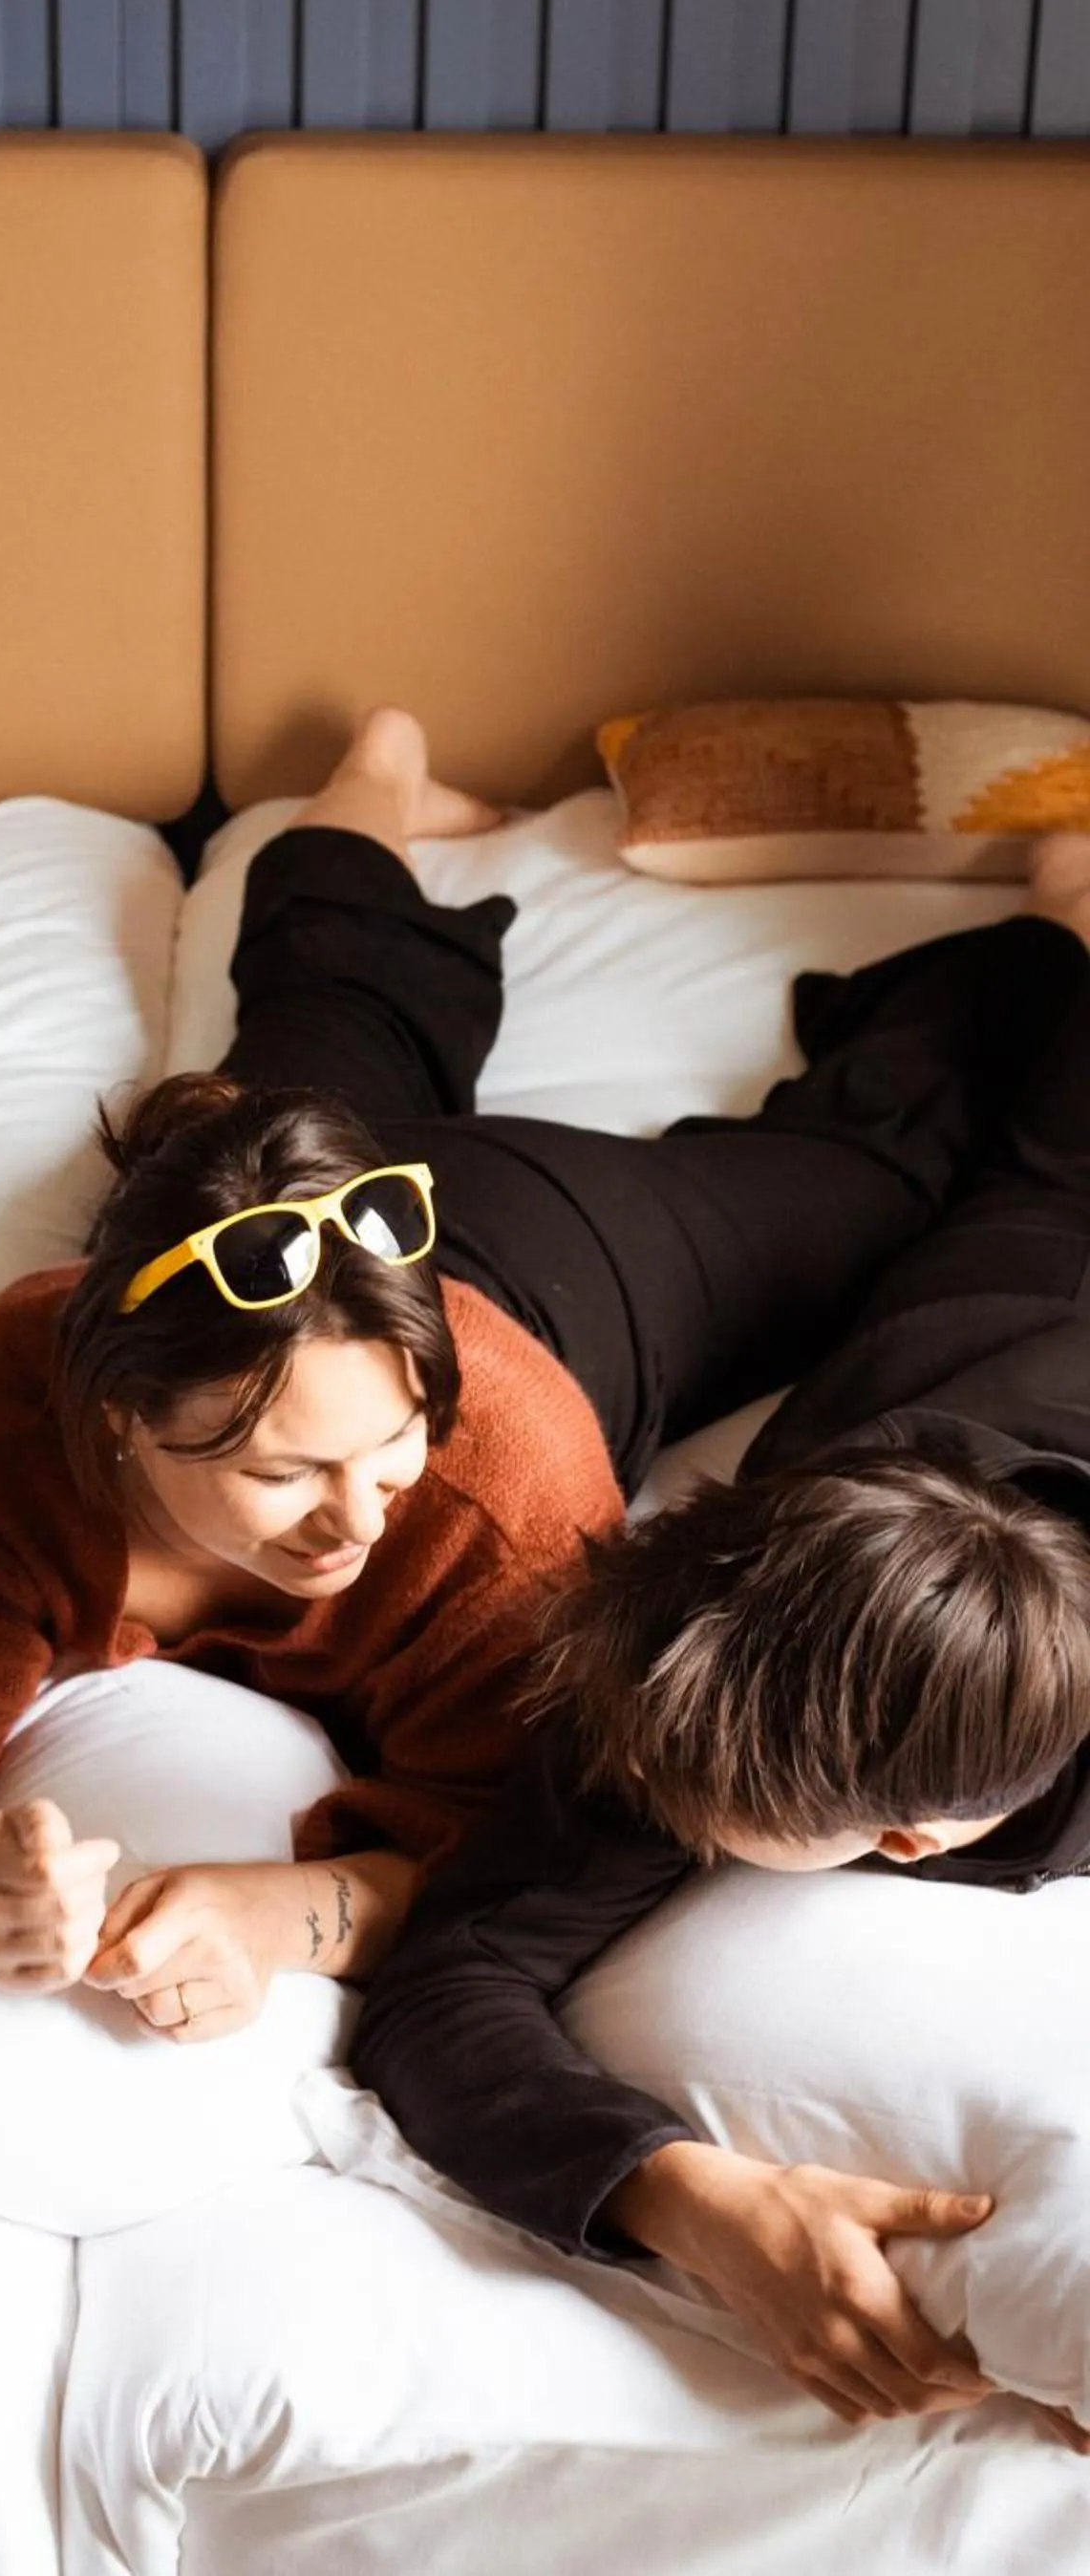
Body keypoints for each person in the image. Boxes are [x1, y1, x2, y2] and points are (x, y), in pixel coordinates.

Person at [0, 705, 1072, 2045]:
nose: (358, 1522)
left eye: (390, 1454)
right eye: (283, 1473)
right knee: (297, 1047)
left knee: (878, 1179)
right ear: (117, 1418)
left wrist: (278, 1917)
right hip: (305, 1213)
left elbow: (499, 1847)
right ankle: (375, 776)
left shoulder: (503, 1498)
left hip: (565, 1264)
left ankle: (1057, 924)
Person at [353, 829, 1090, 2444]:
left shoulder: (858, 1750)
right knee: (1001, 1107)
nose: (644, 1807)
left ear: (906, 1837)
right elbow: (445, 1982)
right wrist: (683, 2198)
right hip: (1001, 1278)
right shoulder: (726, 1652)